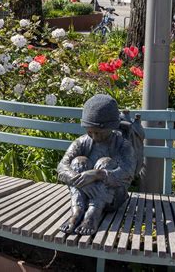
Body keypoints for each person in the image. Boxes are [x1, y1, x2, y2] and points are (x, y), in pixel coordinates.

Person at [57, 94, 137, 236]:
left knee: (105, 163)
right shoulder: (82, 142)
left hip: (112, 199)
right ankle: (77, 211)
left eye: (98, 132)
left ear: (111, 127)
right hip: (83, 196)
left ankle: (93, 214)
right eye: (89, 132)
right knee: (78, 162)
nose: (94, 136)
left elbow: (128, 171)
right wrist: (82, 181)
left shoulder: (123, 145)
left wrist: (97, 174)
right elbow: (62, 167)